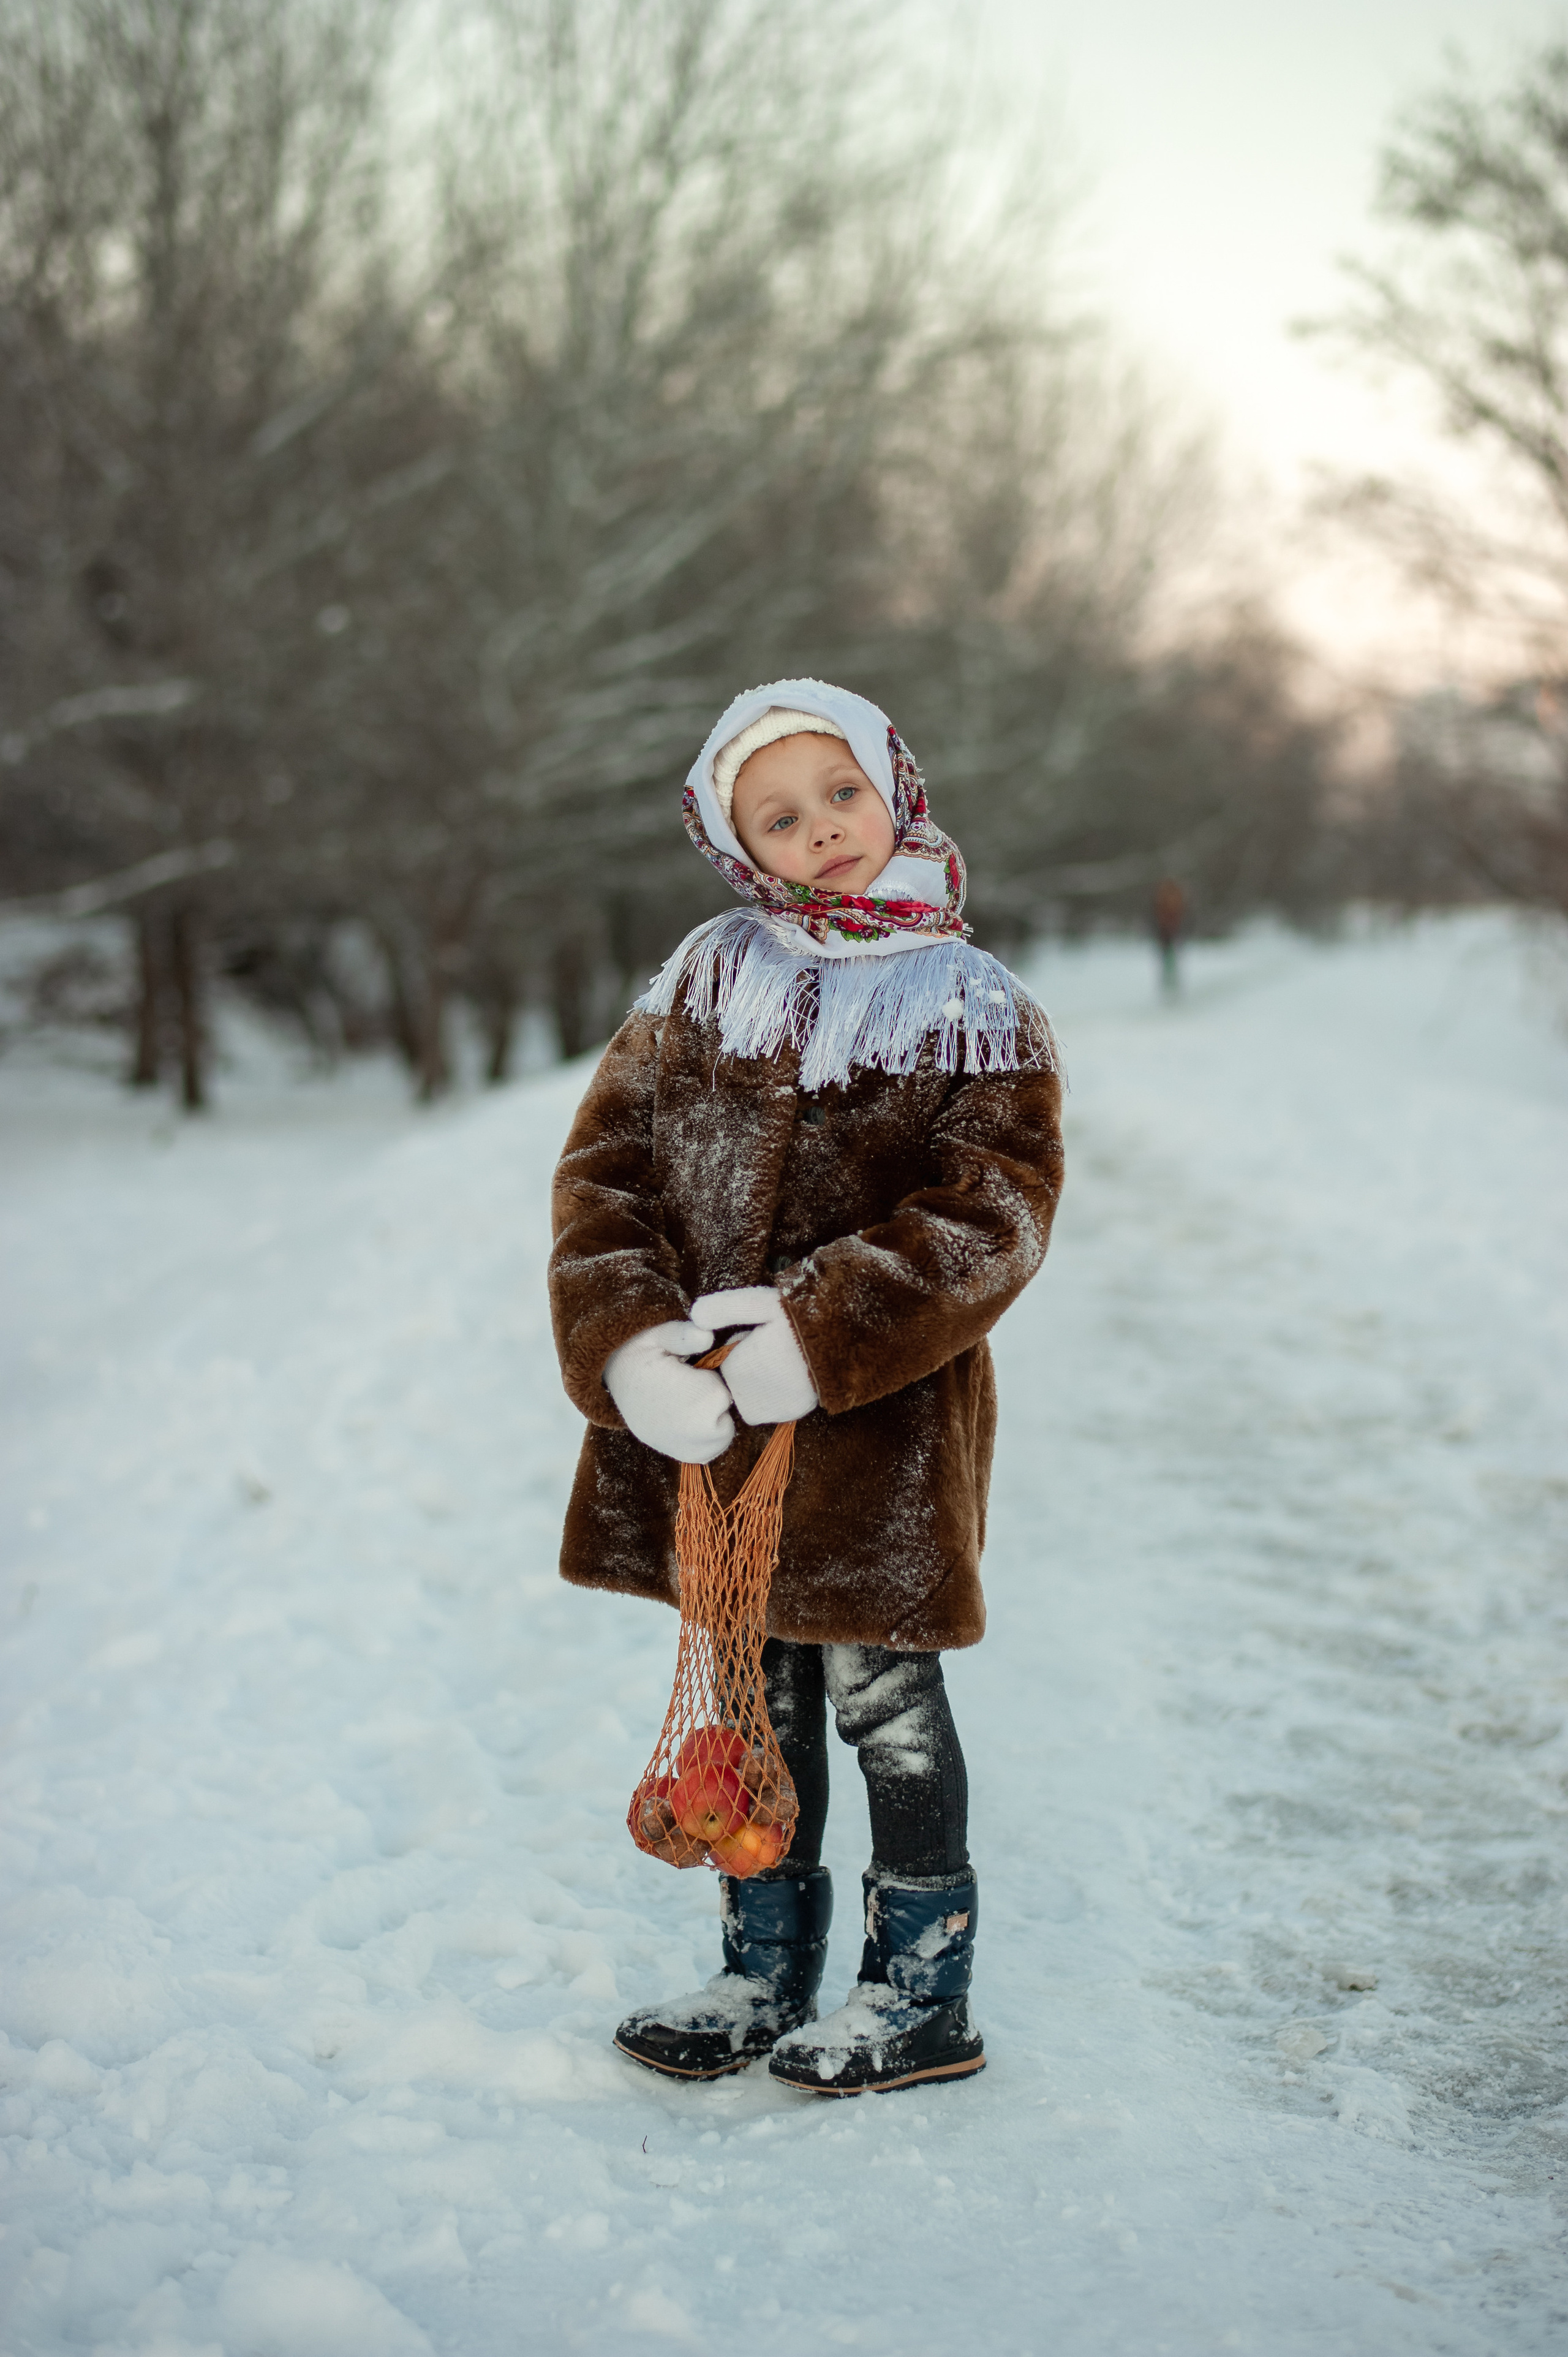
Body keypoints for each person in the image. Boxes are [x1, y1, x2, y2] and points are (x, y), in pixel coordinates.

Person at [548, 679, 1064, 2094]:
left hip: (874, 1435)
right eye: (778, 815)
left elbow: (992, 1213)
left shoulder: (969, 1002)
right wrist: (628, 1341)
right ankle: (760, 1972)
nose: (821, 830)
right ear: (735, 845)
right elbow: (607, 1178)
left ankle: (918, 1996)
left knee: (881, 1702)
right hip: (711, 1431)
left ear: (890, 778)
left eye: (839, 791)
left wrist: (820, 1337)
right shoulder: (703, 982)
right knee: (756, 1698)